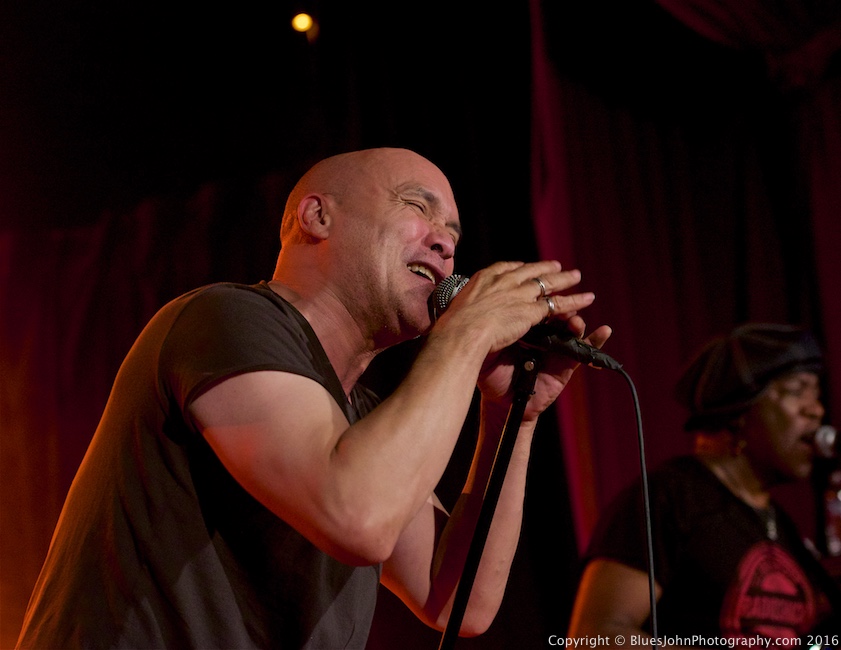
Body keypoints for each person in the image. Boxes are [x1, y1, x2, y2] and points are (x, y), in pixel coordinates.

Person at [17, 147, 611, 649]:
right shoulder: (225, 318)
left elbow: (456, 598)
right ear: (317, 217)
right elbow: (355, 515)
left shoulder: (363, 421)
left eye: (454, 233)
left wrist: (512, 418)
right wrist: (468, 331)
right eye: (416, 207)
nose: (446, 245)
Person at [568, 323, 841, 641]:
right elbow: (595, 638)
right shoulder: (670, 499)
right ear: (740, 409)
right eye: (798, 391)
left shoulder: (781, 526)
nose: (817, 410)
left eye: (817, 394)